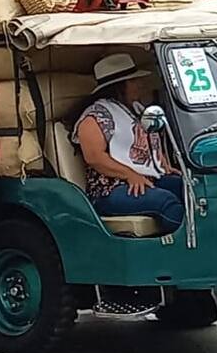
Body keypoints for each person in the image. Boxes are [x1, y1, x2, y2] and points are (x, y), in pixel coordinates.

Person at [74, 53, 183, 235]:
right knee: (167, 202)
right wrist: (129, 175)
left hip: (145, 179)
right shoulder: (95, 116)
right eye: (133, 81)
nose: (139, 85)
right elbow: (94, 157)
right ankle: (186, 250)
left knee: (189, 188)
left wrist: (160, 163)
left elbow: (145, 140)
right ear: (118, 86)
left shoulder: (135, 110)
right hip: (110, 189)